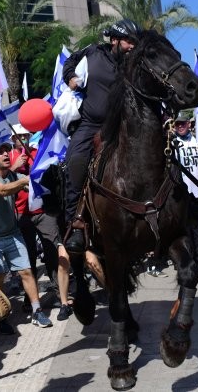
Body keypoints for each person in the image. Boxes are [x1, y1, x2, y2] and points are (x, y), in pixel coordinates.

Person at [62, 19, 141, 253]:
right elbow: (69, 62)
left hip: (123, 126)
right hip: (90, 125)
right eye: (129, 41)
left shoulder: (134, 62)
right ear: (114, 40)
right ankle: (76, 223)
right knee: (75, 161)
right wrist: (70, 77)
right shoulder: (93, 52)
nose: (132, 46)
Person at [0, 139, 53, 328]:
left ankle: (37, 311)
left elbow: (31, 188)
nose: (6, 154)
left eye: (7, 151)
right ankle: (0, 317)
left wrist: (39, 179)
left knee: (27, 272)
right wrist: (24, 181)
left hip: (13, 234)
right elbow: (2, 190)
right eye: (0, 152)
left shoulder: (13, 175)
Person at [9, 124, 73, 321]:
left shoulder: (37, 153)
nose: (22, 139)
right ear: (13, 139)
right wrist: (14, 167)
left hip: (43, 211)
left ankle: (60, 293)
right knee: (28, 258)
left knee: (53, 251)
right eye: (19, 137)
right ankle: (30, 298)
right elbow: (2, 182)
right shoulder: (9, 157)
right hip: (22, 214)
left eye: (25, 136)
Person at [171, 111, 198, 274]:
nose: (180, 126)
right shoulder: (172, 142)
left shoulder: (197, 140)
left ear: (189, 124)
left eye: (183, 123)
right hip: (181, 194)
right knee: (184, 231)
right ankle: (188, 264)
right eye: (177, 124)